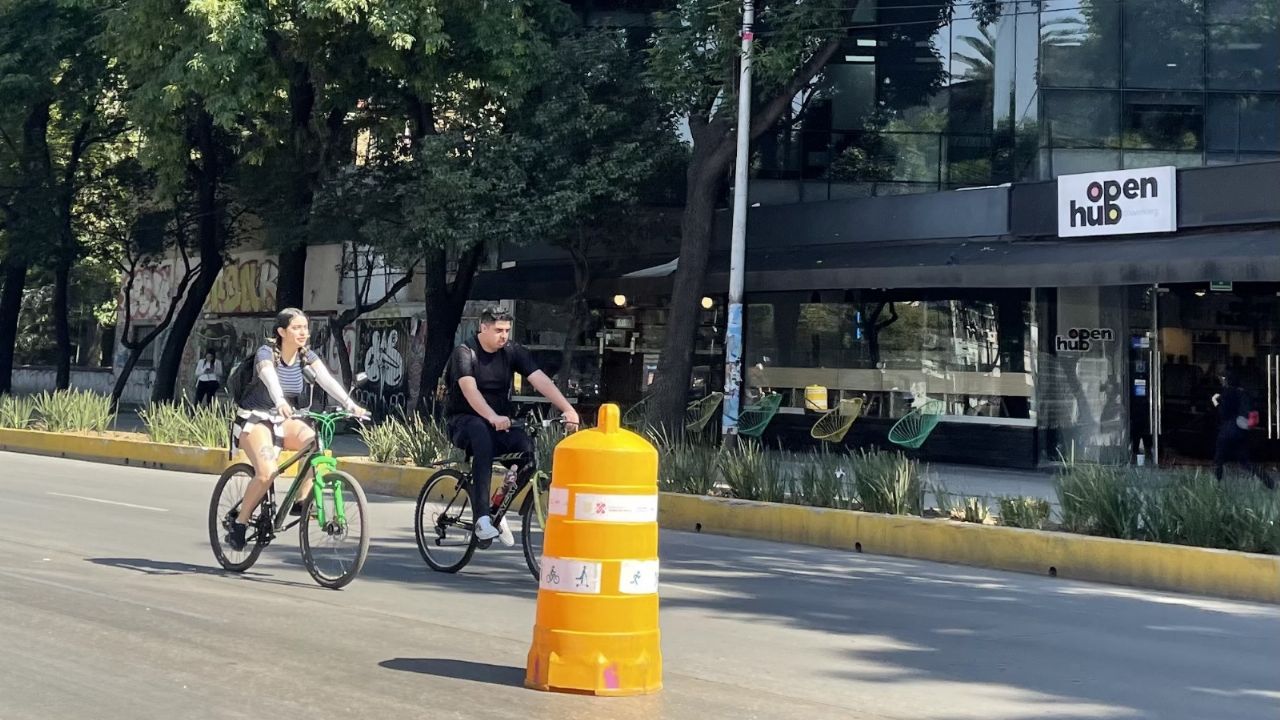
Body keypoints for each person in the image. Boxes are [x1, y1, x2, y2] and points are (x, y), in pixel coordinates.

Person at [226, 308, 369, 550]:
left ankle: (301, 500)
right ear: (282, 331)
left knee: (314, 443)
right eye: (296, 328)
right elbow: (269, 377)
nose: (303, 332)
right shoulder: (267, 353)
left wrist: (350, 405)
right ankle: (239, 523)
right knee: (267, 472)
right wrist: (280, 400)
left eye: (305, 327)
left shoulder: (307, 356)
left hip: (283, 419)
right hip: (255, 419)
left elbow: (327, 379)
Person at [444, 306, 580, 545]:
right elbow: (469, 390)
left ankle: (498, 507)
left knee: (527, 451)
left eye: (507, 330)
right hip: (463, 422)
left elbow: (540, 380)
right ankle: (482, 517)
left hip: (499, 423)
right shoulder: (464, 352)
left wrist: (567, 409)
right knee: (480, 433)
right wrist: (492, 416)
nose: (504, 335)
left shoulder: (511, 351)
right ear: (483, 327)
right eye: (498, 330)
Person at [1211, 370, 1274, 489]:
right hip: (1241, 430)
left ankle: (1216, 485)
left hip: (1227, 430)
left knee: (1218, 460)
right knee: (1245, 460)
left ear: (1226, 381)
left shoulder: (1227, 393)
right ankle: (1268, 482)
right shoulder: (1244, 393)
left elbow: (1222, 413)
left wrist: (1215, 401)